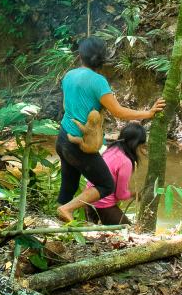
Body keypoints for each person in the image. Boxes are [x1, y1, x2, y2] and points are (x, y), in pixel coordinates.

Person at [56, 36, 165, 222]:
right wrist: (148, 113)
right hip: (81, 145)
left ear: (81, 55)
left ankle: (60, 222)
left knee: (69, 183)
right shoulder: (98, 81)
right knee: (106, 184)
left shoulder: (68, 75)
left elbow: (66, 107)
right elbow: (118, 112)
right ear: (101, 59)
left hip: (63, 137)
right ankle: (66, 210)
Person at [85, 123, 146, 225]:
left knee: (93, 230)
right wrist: (134, 194)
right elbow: (121, 195)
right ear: (135, 144)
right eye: (141, 145)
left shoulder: (111, 150)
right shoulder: (125, 161)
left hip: (88, 199)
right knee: (127, 229)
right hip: (103, 203)